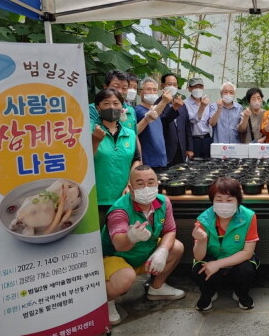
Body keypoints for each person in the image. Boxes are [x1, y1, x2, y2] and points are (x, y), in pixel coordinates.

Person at [101, 165, 185, 325]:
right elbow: (119, 245)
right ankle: (106, 301)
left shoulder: (163, 202)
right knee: (126, 278)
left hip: (145, 253)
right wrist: (131, 237)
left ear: (158, 184)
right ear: (131, 188)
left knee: (176, 247)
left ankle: (157, 287)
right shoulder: (119, 211)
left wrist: (162, 251)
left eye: (151, 182)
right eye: (140, 184)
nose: (146, 188)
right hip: (118, 257)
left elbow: (170, 230)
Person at [191, 177, 259, 311]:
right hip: (212, 258)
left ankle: (241, 293)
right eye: (219, 199)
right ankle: (208, 294)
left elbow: (247, 252)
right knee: (198, 268)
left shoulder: (249, 216)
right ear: (212, 201)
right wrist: (201, 240)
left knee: (247, 269)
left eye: (229, 200)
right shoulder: (203, 220)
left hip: (237, 259)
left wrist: (218, 264)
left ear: (238, 201)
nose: (224, 204)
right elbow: (199, 256)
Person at [91, 88, 141, 224]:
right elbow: (83, 162)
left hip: (124, 199)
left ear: (122, 106)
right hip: (97, 199)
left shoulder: (130, 134)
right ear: (98, 108)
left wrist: (130, 184)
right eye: (106, 104)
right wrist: (95, 141)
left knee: (121, 238)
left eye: (116, 103)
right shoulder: (89, 131)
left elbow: (136, 160)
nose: (112, 107)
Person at [134, 77, 174, 173]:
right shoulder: (138, 110)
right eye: (148, 89)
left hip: (161, 159)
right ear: (140, 92)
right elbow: (150, 116)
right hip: (148, 161)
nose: (152, 92)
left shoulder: (155, 111)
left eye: (155, 90)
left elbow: (155, 113)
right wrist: (164, 101)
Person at [159, 73, 194, 165]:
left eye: (175, 85)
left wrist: (189, 148)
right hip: (166, 149)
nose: (172, 87)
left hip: (181, 148)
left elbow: (187, 127)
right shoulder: (158, 104)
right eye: (169, 84)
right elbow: (162, 122)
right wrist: (173, 109)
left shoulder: (181, 103)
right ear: (162, 86)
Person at [185, 77, 212, 158]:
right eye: (195, 87)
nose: (198, 89)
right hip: (193, 140)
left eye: (200, 87)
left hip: (207, 139)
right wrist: (202, 107)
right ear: (189, 88)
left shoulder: (208, 103)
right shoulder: (185, 104)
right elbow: (193, 120)